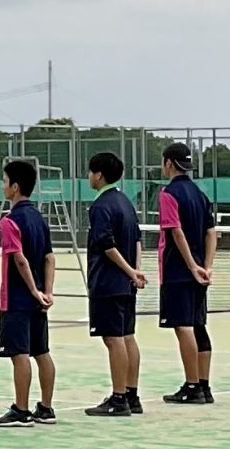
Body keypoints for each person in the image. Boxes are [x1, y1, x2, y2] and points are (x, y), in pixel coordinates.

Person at [0, 159, 58, 426]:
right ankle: (46, 408)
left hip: (17, 300)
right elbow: (50, 258)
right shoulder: (40, 219)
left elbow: (19, 259)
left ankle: (21, 410)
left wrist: (32, 290)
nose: (2, 186)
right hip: (39, 301)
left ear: (15, 187)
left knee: (20, 355)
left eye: (5, 182)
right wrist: (46, 292)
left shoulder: (10, 221)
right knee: (42, 352)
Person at [83, 152, 147, 416]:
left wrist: (131, 271)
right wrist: (135, 271)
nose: (88, 177)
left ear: (98, 175)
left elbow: (107, 245)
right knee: (127, 336)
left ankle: (119, 398)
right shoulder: (125, 203)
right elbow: (137, 241)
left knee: (114, 340)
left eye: (90, 172)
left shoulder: (101, 206)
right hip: (125, 284)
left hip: (109, 283)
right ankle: (131, 395)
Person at [156, 141, 219, 405]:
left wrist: (192, 266)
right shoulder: (200, 195)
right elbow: (211, 233)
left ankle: (193, 386)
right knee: (198, 326)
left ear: (169, 163)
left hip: (178, 271)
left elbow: (176, 231)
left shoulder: (168, 194)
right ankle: (203, 385)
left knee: (184, 328)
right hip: (197, 273)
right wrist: (206, 265)